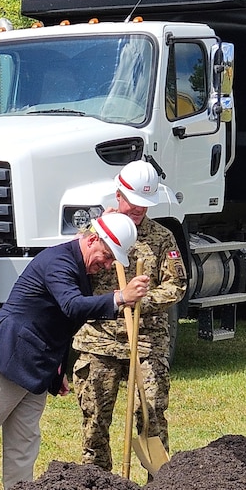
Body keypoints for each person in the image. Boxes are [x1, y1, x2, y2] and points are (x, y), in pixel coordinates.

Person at [0, 212, 150, 490]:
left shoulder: (79, 267)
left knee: (24, 442)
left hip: (37, 367)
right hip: (7, 358)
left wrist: (58, 371)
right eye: (107, 256)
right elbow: (72, 306)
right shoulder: (58, 261)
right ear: (93, 239)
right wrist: (120, 297)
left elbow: (61, 324)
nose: (107, 265)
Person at [73, 161, 188, 471]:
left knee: (150, 414)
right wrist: (114, 301)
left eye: (145, 205)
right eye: (134, 202)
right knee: (95, 417)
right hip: (101, 339)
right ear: (119, 194)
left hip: (146, 339)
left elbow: (177, 285)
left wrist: (140, 301)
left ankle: (158, 487)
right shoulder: (94, 232)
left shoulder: (162, 238)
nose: (139, 210)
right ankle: (97, 488)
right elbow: (76, 271)